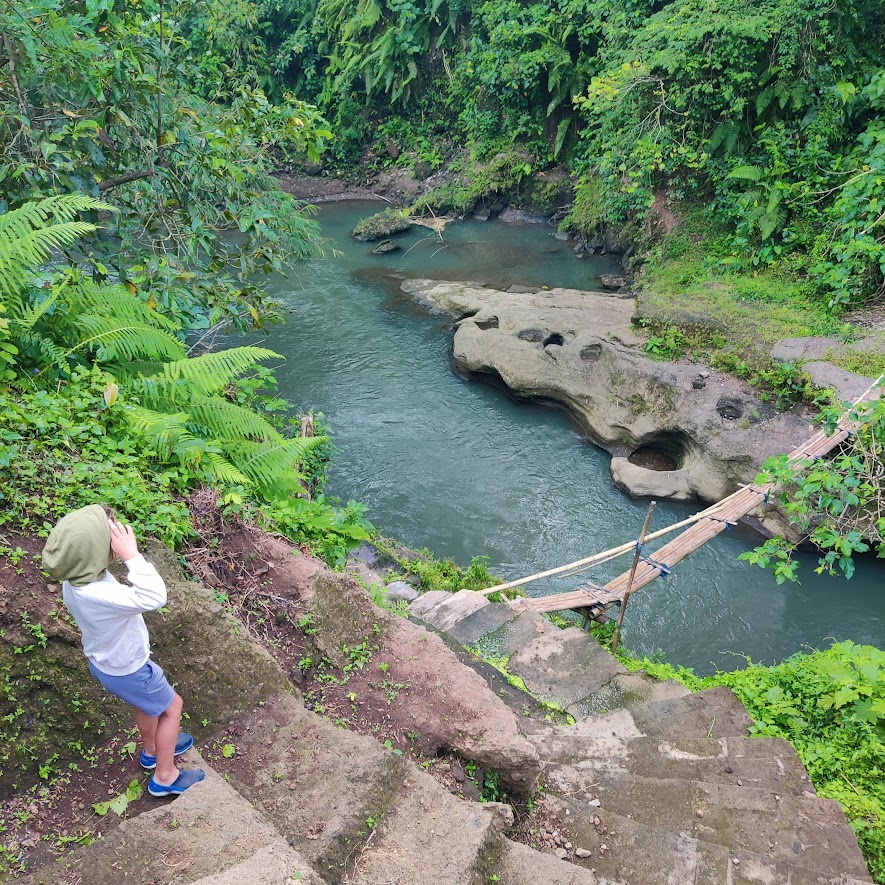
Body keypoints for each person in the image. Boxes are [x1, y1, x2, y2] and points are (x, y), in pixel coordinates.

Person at [42, 504, 205, 797]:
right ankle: (165, 776)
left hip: (106, 663)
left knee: (145, 704)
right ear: (94, 553)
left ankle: (153, 750)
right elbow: (156, 596)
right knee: (172, 708)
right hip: (130, 667)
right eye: (110, 534)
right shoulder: (100, 593)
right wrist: (132, 555)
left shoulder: (75, 580)